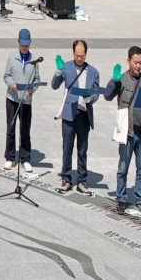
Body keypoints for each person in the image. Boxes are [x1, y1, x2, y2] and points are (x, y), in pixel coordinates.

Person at [104, 45, 141, 216]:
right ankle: (121, 198)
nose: (138, 66)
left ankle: (140, 200)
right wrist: (114, 81)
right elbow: (107, 96)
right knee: (123, 167)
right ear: (128, 61)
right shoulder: (122, 79)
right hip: (127, 132)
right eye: (135, 62)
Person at [50, 39, 100, 194]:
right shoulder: (66, 67)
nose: (79, 58)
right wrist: (58, 72)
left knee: (82, 149)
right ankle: (66, 178)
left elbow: (96, 92)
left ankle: (82, 179)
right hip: (69, 114)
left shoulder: (93, 72)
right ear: (73, 53)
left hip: (84, 114)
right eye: (77, 55)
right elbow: (54, 85)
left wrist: (90, 98)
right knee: (67, 148)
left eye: (82, 55)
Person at [1, 29, 42, 171]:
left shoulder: (34, 60)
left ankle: (25, 158)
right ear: (18, 42)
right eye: (22, 44)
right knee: (11, 128)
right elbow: (6, 76)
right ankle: (10, 157)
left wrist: (33, 88)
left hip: (26, 100)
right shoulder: (12, 57)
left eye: (27, 45)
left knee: (25, 130)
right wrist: (12, 84)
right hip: (12, 98)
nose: (24, 47)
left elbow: (37, 79)